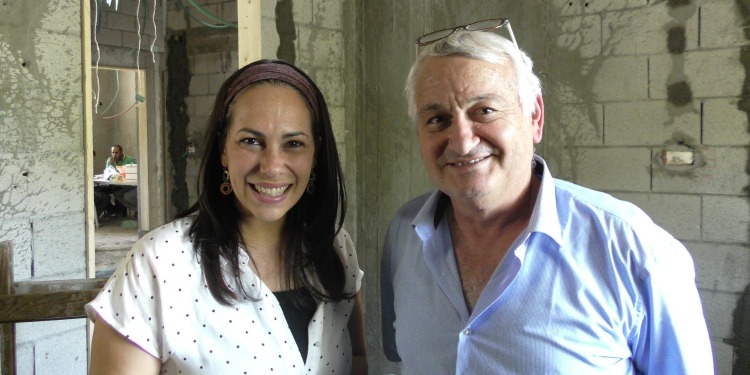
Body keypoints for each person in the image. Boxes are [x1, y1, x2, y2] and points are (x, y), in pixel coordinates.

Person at [380, 19, 713, 374]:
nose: (461, 140)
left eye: (485, 111)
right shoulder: (404, 234)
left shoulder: (633, 249)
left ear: (535, 117)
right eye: (437, 119)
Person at [87, 60, 367, 374]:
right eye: (251, 141)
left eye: (294, 144)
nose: (272, 166)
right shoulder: (159, 263)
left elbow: (356, 358)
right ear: (223, 150)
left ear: (315, 156)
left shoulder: (335, 248)